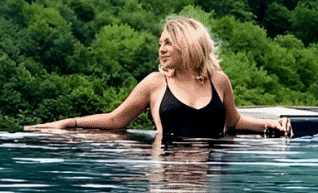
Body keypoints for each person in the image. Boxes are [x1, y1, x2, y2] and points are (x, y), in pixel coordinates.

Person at [24, 15, 292, 139]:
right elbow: (116, 119)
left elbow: (233, 122)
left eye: (167, 43)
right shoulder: (155, 83)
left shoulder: (218, 80)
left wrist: (272, 125)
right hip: (166, 172)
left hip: (209, 174)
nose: (160, 49)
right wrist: (66, 124)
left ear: (186, 44)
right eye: (160, 43)